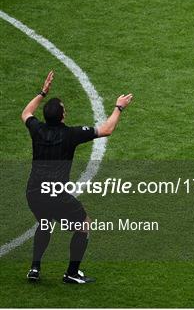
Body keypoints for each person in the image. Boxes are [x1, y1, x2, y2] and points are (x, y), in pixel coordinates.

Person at [22, 71, 133, 284]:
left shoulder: (36, 129)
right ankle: (72, 273)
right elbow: (107, 129)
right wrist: (118, 107)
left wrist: (42, 93)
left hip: (34, 191)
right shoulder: (70, 134)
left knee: (44, 223)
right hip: (56, 194)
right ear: (62, 116)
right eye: (64, 109)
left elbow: (26, 112)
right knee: (84, 225)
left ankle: (35, 268)